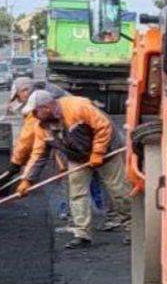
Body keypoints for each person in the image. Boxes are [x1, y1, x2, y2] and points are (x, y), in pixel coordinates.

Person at [17, 89, 132, 249]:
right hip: (77, 156)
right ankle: (82, 234)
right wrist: (27, 179)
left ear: (46, 107)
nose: (33, 115)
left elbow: (103, 126)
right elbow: (39, 155)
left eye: (35, 111)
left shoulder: (77, 107)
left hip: (107, 152)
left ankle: (132, 228)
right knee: (77, 193)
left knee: (118, 190)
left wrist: (98, 152)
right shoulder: (42, 126)